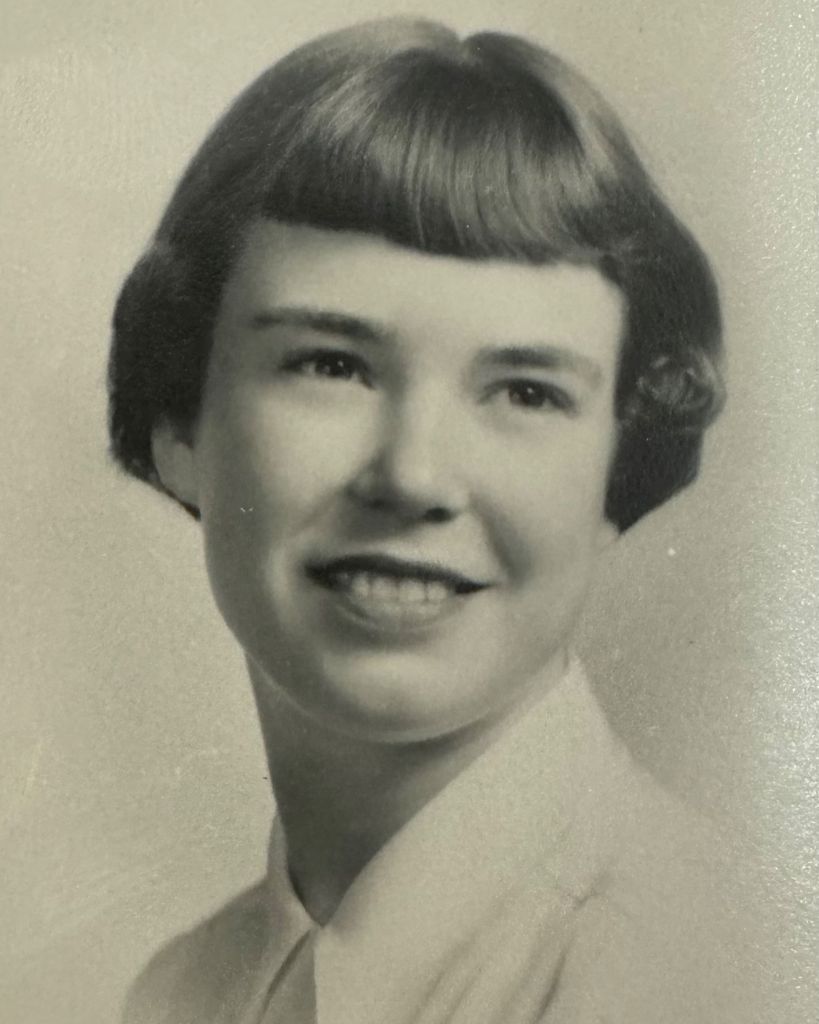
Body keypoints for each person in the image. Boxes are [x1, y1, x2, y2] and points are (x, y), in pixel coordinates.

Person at [110, 17, 759, 1023]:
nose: (413, 476)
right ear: (175, 421)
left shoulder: (693, 972)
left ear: (619, 468)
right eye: (332, 365)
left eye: (527, 391)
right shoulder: (183, 992)